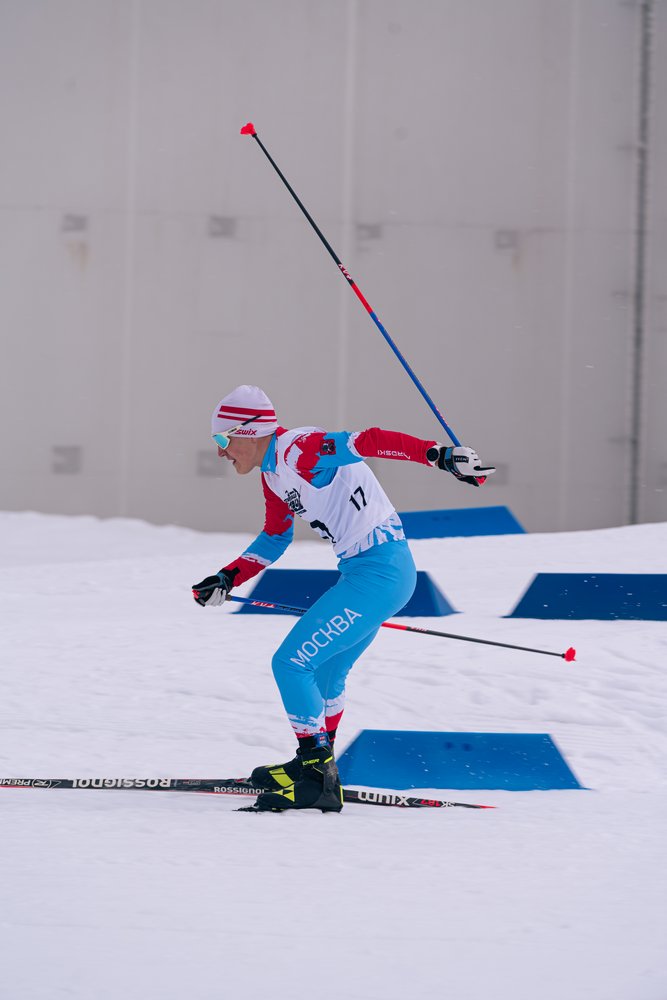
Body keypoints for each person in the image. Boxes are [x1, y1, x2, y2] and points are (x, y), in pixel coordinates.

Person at [192, 385, 494, 813]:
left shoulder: (300, 450)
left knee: (291, 664)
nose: (221, 451)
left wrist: (439, 456)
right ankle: (318, 767)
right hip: (368, 573)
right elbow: (275, 538)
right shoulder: (273, 474)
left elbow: (368, 441)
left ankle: (317, 777)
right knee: (327, 675)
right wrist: (228, 576)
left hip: (380, 573)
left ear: (251, 431)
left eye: (223, 438)